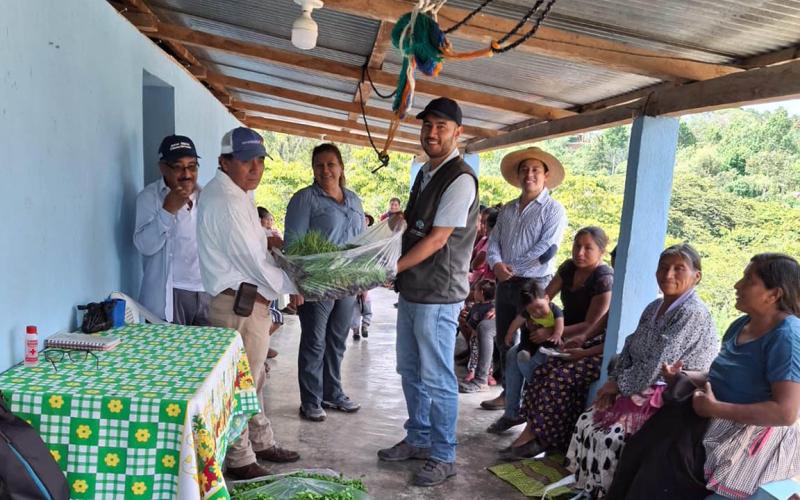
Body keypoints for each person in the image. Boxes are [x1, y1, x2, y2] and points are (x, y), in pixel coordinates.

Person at [608, 253, 800, 500]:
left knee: (663, 475)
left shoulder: (787, 337)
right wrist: (686, 377)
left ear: (774, 295)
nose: (737, 285)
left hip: (743, 434)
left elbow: (785, 413)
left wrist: (715, 408)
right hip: (707, 414)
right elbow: (724, 375)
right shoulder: (742, 324)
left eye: (748, 280)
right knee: (640, 453)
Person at [377, 97, 478, 487]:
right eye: (427, 125)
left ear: (457, 133)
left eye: (441, 126)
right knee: (410, 369)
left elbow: (437, 240)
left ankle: (443, 453)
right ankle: (418, 438)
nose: (432, 133)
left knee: (437, 376)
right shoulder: (425, 172)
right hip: (415, 290)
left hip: (438, 294)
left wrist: (390, 268)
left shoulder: (460, 178)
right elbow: (419, 223)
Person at [566, 244, 719, 497]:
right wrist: (614, 381)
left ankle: (608, 492)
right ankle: (589, 488)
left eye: (679, 269)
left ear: (697, 276)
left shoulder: (692, 313)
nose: (668, 275)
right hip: (638, 384)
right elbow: (629, 346)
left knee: (611, 439)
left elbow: (660, 362)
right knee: (586, 421)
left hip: (672, 394)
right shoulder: (654, 307)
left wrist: (619, 386)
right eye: (663, 268)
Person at [196, 126, 300, 480]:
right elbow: (252, 262)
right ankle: (240, 459)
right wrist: (298, 282)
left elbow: (256, 247)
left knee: (252, 381)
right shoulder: (225, 201)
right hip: (237, 307)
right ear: (224, 162)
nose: (255, 168)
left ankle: (260, 440)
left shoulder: (238, 193)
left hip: (249, 304)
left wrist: (272, 243)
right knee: (240, 385)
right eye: (245, 161)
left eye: (259, 160)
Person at [495, 227, 614, 454]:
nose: (580, 252)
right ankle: (512, 414)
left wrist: (552, 331)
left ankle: (535, 423)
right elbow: (544, 300)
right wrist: (535, 320)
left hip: (579, 336)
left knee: (540, 369)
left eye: (588, 248)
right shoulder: (569, 268)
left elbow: (591, 325)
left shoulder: (603, 278)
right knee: (512, 355)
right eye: (577, 245)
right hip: (558, 328)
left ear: (601, 251)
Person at [481, 147, 568, 411]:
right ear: (518, 176)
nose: (529, 174)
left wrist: (511, 267)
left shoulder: (553, 210)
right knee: (504, 337)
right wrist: (496, 264)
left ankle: (530, 400)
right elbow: (493, 242)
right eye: (524, 170)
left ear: (545, 175)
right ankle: (507, 393)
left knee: (533, 339)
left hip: (535, 285)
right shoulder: (507, 210)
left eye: (535, 170)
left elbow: (546, 250)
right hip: (505, 282)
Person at [285, 143, 365, 422]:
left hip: (347, 283)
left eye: (331, 164)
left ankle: (333, 392)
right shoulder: (304, 199)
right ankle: (310, 399)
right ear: (313, 169)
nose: (325, 170)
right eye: (319, 165)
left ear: (341, 167)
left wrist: (362, 278)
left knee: (337, 341)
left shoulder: (354, 200)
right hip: (316, 283)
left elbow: (361, 243)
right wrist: (295, 285)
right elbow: (293, 244)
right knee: (314, 342)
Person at [134, 135, 210, 325]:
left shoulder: (208, 198)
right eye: (178, 166)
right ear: (163, 167)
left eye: (192, 166)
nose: (186, 173)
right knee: (171, 355)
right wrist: (168, 211)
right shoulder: (149, 198)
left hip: (207, 292)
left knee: (207, 354)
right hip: (168, 296)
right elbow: (145, 246)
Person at [505, 281, 564, 362]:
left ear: (547, 299)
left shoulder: (554, 309)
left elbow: (560, 322)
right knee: (525, 334)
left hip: (550, 334)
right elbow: (517, 321)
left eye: (540, 307)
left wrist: (557, 334)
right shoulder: (526, 312)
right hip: (534, 334)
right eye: (532, 311)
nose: (537, 312)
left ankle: (553, 349)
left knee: (556, 340)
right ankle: (525, 352)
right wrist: (510, 333)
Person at [459, 279, 497, 393]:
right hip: (477, 337)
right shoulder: (485, 307)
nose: (473, 293)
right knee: (483, 356)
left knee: (477, 355)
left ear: (481, 293)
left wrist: (473, 332)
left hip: (476, 337)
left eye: (475, 290)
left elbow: (469, 322)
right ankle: (485, 375)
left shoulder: (481, 307)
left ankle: (475, 373)